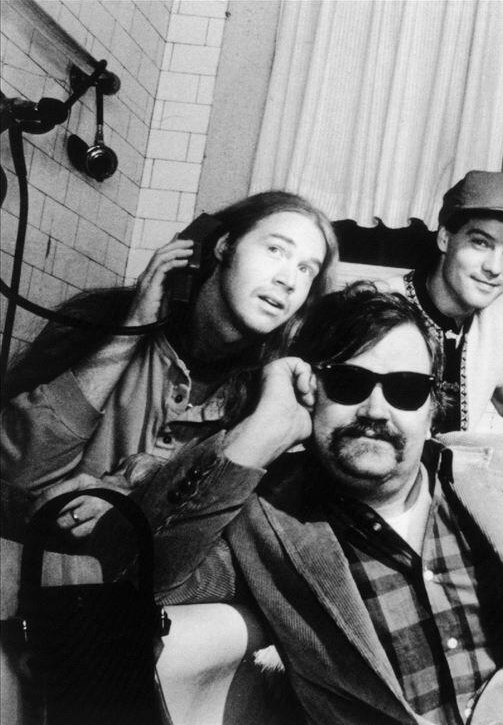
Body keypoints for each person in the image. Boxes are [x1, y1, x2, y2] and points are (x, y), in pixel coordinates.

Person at [132, 284, 503, 725]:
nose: (376, 411)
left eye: (406, 389)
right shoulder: (263, 523)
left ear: (434, 407)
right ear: (310, 389)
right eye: (349, 383)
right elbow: (137, 573)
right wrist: (261, 430)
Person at [0, 191, 338, 529]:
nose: (288, 280)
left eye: (306, 269)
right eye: (276, 249)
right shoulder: (98, 319)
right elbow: (16, 473)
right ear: (223, 246)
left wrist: (141, 500)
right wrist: (130, 329)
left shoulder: (273, 394)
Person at [381, 170, 503, 465]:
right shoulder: (377, 303)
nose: (494, 268)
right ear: (445, 238)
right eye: (481, 243)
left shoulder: (502, 322)